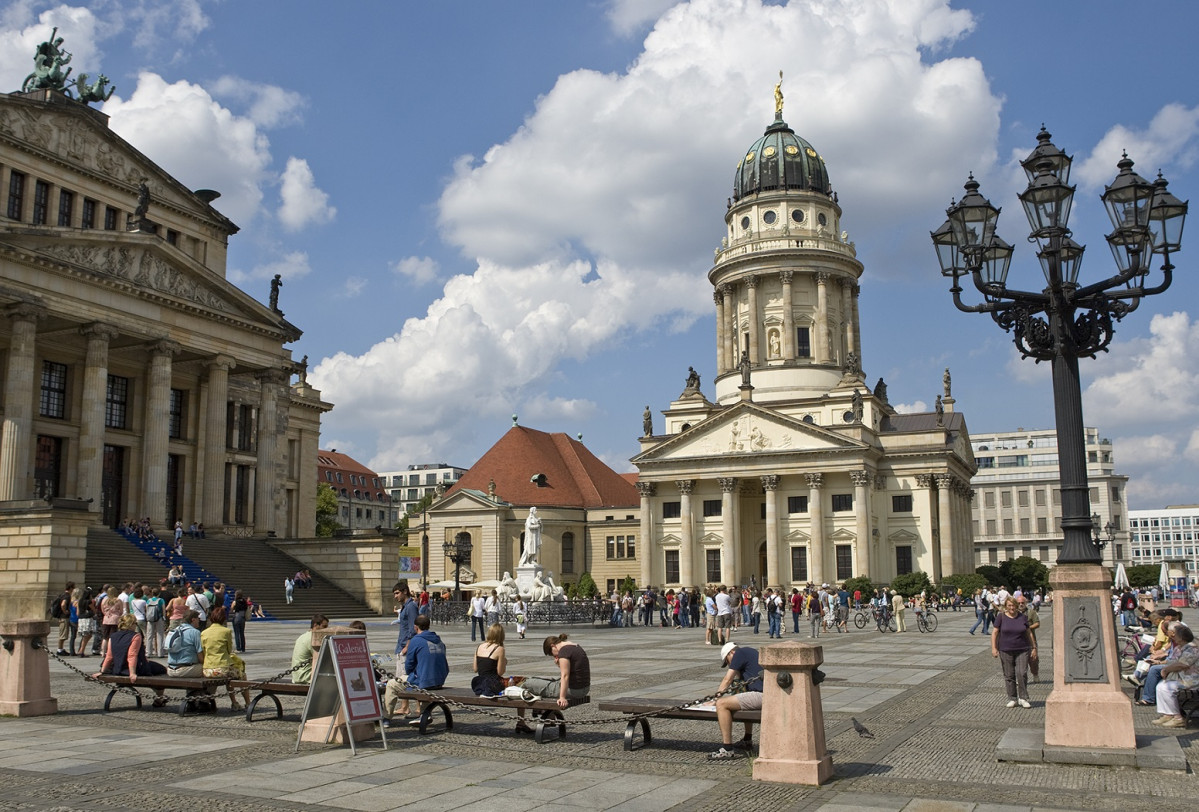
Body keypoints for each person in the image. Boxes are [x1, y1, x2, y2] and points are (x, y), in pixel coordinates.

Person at [517, 634, 590, 734]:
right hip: (583, 688)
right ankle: (544, 712)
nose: (555, 656)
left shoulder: (564, 651)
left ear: (553, 646)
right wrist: (558, 663)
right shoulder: (575, 646)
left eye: (553, 654)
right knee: (541, 682)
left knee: (527, 683)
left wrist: (562, 697)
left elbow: (565, 676)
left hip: (573, 690)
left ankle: (526, 718)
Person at [95, 613, 169, 706]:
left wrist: (102, 671)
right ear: (131, 624)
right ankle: (159, 697)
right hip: (133, 668)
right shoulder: (135, 636)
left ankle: (159, 696)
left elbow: (109, 656)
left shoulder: (113, 636)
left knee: (154, 670)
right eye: (135, 623)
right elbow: (132, 655)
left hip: (118, 668)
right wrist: (132, 673)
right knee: (161, 670)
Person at [708, 641, 764, 760]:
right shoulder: (749, 652)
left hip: (762, 695)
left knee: (722, 704)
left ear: (731, 653)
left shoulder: (739, 654)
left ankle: (727, 749)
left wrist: (715, 700)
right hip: (764, 694)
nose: (729, 665)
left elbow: (727, 680)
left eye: (727, 662)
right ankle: (747, 739)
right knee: (744, 697)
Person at [401, 614, 449, 725]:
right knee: (425, 675)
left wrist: (411, 673)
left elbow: (409, 665)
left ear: (415, 627)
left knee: (391, 685)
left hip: (426, 681)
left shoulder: (416, 640)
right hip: (440, 679)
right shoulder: (438, 640)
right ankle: (423, 714)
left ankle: (385, 718)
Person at [201, 607, 250, 711]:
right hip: (222, 668)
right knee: (241, 675)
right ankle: (247, 703)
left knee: (229, 675)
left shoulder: (204, 632)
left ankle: (235, 702)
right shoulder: (226, 631)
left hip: (207, 670)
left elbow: (204, 650)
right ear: (223, 618)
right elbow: (229, 650)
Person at [992, 596, 1035, 708]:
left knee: (1022, 673)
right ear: (1006, 606)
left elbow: (1029, 633)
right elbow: (995, 633)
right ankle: (1012, 698)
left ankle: (1023, 698)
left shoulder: (1022, 617)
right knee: (1009, 675)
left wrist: (1034, 647)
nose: (1012, 608)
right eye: (1009, 605)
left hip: (1022, 649)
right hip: (1005, 649)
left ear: (1016, 606)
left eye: (1013, 605)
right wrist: (994, 648)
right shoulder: (1001, 617)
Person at [1153, 624, 1199, 728]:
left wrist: (1166, 669)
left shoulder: (1192, 648)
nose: (1173, 636)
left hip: (1192, 679)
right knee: (1160, 686)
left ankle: (1178, 718)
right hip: (1182, 677)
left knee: (1166, 688)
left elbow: (1183, 664)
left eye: (1176, 635)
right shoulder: (1179, 648)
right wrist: (1159, 663)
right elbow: (1173, 661)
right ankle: (1168, 714)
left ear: (1182, 637)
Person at [391, 583, 418, 720]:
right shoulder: (405, 606)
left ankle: (412, 707)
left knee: (405, 677)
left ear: (405, 591)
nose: (396, 596)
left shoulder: (411, 606)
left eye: (397, 593)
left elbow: (413, 627)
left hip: (405, 646)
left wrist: (407, 645)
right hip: (401, 644)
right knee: (402, 677)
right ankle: (404, 706)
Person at [290, 614, 329, 685]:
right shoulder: (313, 639)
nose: (326, 630)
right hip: (306, 676)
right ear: (315, 625)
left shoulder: (303, 636)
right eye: (324, 626)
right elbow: (322, 659)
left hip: (298, 675)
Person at [471, 623, 507, 697]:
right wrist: (504, 663)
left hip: (479, 683)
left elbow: (475, 669)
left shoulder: (479, 646)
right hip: (492, 684)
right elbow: (500, 672)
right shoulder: (499, 649)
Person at [165, 610, 204, 677]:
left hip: (170, 670)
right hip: (185, 669)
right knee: (210, 671)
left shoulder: (174, 630)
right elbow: (200, 656)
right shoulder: (195, 632)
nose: (199, 621)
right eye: (198, 619)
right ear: (193, 620)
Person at [53, 580, 75, 655]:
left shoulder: (62, 594)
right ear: (71, 588)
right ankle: (60, 649)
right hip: (64, 617)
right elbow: (63, 604)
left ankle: (60, 648)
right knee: (63, 634)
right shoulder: (67, 596)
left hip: (61, 617)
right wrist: (65, 611)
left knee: (63, 634)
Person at [143, 586, 166, 658]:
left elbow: (146, 609)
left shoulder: (149, 600)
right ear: (159, 593)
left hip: (150, 619)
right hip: (159, 618)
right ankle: (160, 653)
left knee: (149, 635)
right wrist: (164, 618)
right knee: (160, 635)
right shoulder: (161, 600)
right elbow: (163, 610)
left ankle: (148, 652)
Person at [75, 586, 96, 658]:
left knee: (85, 635)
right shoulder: (88, 601)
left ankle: (81, 650)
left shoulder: (79, 601)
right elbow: (94, 610)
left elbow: (77, 613)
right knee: (88, 635)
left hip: (81, 619)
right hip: (87, 619)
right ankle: (81, 650)